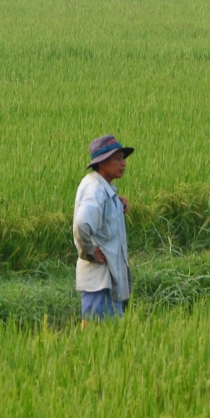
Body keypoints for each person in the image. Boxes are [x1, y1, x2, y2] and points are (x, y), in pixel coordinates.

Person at [73, 134, 132, 320]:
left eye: (123, 158)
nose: (123, 164)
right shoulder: (96, 190)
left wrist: (117, 203)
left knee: (109, 334)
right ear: (102, 163)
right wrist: (89, 252)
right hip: (100, 281)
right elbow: (82, 223)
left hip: (109, 280)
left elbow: (100, 214)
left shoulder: (103, 187)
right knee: (97, 333)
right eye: (117, 159)